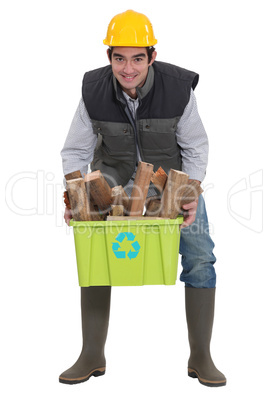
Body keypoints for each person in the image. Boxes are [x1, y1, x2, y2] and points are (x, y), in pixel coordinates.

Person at [60, 9, 226, 387]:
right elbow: (74, 151)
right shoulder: (93, 90)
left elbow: (196, 148)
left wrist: (190, 194)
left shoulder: (178, 87)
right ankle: (91, 354)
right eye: (120, 58)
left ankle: (201, 355)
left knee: (201, 255)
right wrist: (76, 196)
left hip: (169, 179)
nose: (128, 68)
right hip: (114, 178)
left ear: (152, 56)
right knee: (94, 254)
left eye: (137, 58)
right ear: (109, 58)